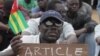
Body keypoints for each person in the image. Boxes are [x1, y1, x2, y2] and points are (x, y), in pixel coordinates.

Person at [0, 10, 78, 56]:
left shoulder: (64, 50)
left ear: (61, 30)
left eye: (58, 24)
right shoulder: (24, 42)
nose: (54, 27)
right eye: (48, 23)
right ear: (39, 28)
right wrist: (12, 52)